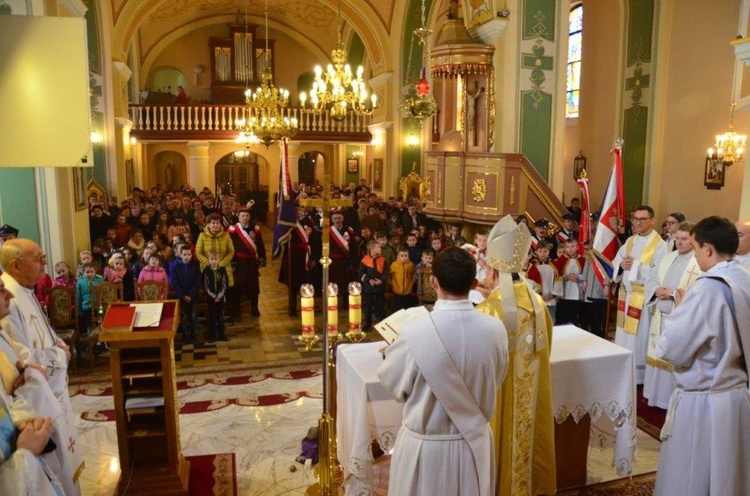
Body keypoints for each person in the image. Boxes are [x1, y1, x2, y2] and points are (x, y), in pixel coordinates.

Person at [378, 247, 509, 496]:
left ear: (432, 281)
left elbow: (394, 385)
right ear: (473, 283)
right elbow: (498, 378)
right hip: (474, 448)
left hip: (424, 452)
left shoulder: (413, 332)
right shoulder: (496, 330)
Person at [654, 216, 750, 496]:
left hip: (704, 403)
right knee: (727, 477)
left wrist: (680, 312)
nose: (694, 255)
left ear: (707, 249)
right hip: (736, 396)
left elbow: (673, 348)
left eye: (695, 248)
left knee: (692, 478)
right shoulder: (743, 278)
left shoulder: (707, 289)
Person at [476, 215, 556, 496]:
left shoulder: (488, 310)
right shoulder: (538, 304)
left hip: (499, 403)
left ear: (494, 272)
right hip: (530, 400)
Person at [0, 239, 82, 495]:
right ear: (16, 265)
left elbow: (43, 332)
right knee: (56, 469)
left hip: (48, 398)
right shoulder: (11, 304)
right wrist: (60, 355)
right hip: (39, 408)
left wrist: (57, 343)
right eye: (38, 258)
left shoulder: (24, 289)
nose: (44, 263)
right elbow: (27, 363)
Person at [643, 221, 701, 409]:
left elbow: (698, 291)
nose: (679, 242)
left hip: (679, 320)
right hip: (660, 315)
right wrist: (656, 289)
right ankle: (653, 396)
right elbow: (653, 276)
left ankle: (669, 400)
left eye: (684, 239)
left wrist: (672, 293)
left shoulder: (698, 262)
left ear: (694, 239)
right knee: (657, 354)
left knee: (672, 359)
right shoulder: (669, 257)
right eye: (677, 238)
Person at [613, 205, 667, 384]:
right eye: (635, 219)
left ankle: (637, 376)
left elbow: (659, 273)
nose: (638, 222)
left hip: (642, 300)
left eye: (643, 219)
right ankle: (621, 370)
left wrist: (635, 265)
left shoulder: (660, 245)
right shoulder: (630, 241)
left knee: (637, 338)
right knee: (622, 335)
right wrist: (621, 264)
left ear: (652, 220)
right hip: (625, 296)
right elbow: (616, 261)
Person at [228, 209, 265, 317]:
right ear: (238, 216)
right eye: (242, 215)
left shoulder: (255, 229)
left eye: (247, 215)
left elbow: (260, 244)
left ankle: (255, 307)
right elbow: (231, 247)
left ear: (250, 216)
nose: (245, 217)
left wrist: (262, 258)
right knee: (238, 285)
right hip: (239, 262)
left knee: (253, 285)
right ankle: (237, 308)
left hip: (252, 262)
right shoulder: (234, 230)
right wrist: (233, 262)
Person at [171, 246, 201, 345]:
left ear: (191, 255)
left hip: (193, 296)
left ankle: (193, 336)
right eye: (184, 254)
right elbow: (175, 283)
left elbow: (197, 282)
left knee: (193, 316)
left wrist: (190, 294)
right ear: (180, 255)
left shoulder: (195, 266)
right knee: (183, 317)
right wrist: (183, 295)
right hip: (182, 297)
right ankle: (185, 336)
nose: (187, 257)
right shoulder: (176, 268)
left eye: (188, 254)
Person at [552, 238, 584, 325]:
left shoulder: (582, 260)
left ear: (577, 247)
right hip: (564, 293)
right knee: (562, 318)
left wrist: (578, 277)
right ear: (565, 248)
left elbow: (586, 275)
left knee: (573, 318)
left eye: (572, 246)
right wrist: (567, 277)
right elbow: (556, 275)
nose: (570, 249)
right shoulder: (561, 260)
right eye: (568, 247)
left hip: (576, 294)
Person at [359, 240, 387, 331]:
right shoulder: (364, 260)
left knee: (381, 305)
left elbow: (386, 272)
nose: (380, 248)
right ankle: (367, 324)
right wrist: (369, 280)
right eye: (378, 247)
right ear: (372, 249)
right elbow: (361, 273)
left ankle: (383, 324)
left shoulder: (383, 260)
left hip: (380, 287)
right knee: (368, 306)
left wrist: (381, 280)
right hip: (369, 288)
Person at [203, 252, 229, 342]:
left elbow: (225, 284)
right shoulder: (206, 271)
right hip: (211, 299)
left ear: (219, 260)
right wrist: (213, 296)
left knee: (220, 316)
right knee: (212, 317)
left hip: (220, 298)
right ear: (209, 260)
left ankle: (221, 334)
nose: (214, 261)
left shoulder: (222, 270)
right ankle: (212, 335)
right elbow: (205, 286)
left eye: (215, 259)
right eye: (212, 259)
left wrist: (220, 296)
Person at [389, 246, 415, 312]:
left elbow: (414, 275)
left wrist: (412, 283)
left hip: (408, 291)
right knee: (396, 309)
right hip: (397, 291)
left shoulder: (411, 265)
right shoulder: (394, 265)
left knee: (407, 308)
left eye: (406, 255)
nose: (404, 257)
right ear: (397, 256)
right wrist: (392, 283)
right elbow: (389, 275)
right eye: (402, 256)